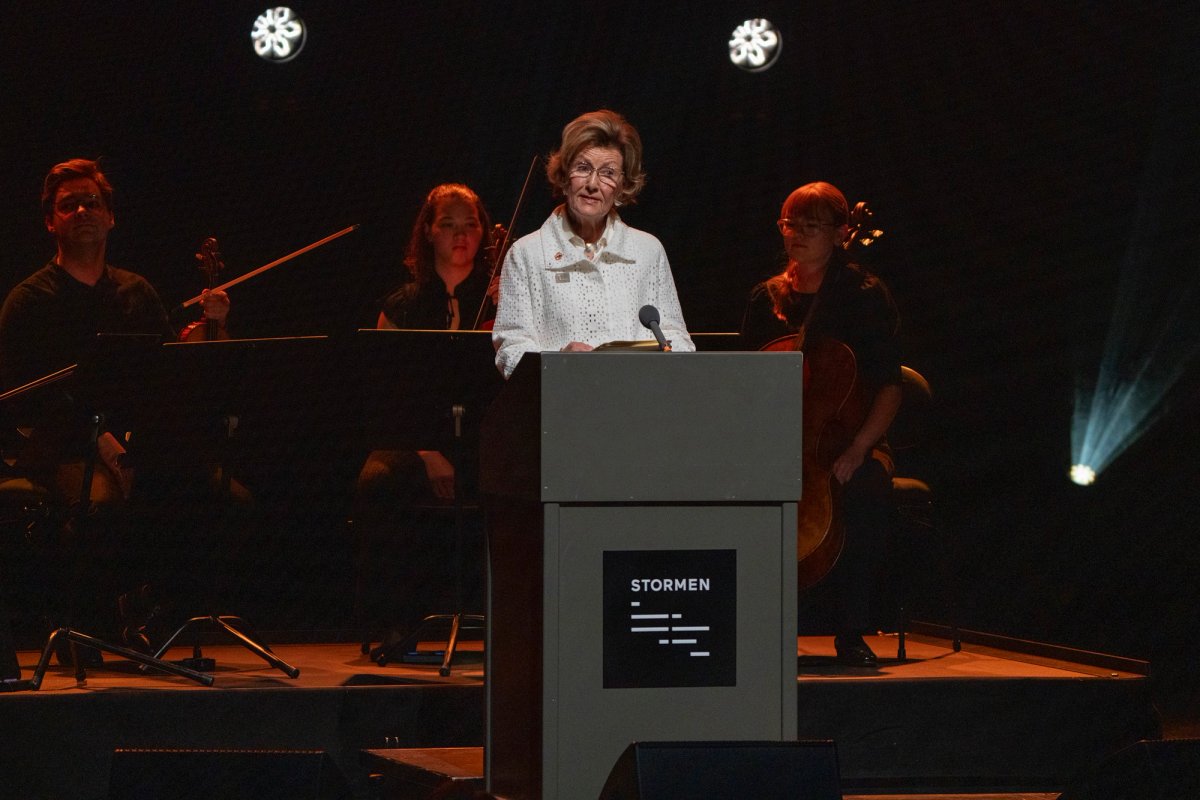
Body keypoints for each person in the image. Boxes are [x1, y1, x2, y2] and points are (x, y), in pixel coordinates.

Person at [0, 158, 233, 653]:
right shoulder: (29, 301)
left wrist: (212, 333)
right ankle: (92, 623)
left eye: (93, 202)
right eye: (69, 205)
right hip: (62, 449)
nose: (83, 210)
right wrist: (102, 443)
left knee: (223, 495)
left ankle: (157, 613)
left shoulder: (135, 292)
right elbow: (32, 402)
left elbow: (170, 376)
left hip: (135, 443)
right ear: (50, 221)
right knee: (102, 504)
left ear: (110, 217)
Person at [739, 181, 903, 667]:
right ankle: (755, 627)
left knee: (867, 488)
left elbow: (890, 387)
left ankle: (851, 630)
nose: (798, 234)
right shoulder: (765, 298)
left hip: (848, 439)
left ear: (841, 233)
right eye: (791, 224)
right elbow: (744, 384)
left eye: (812, 226)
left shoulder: (864, 295)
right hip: (775, 443)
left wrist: (859, 449)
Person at [352, 183, 495, 649]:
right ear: (428, 234)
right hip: (416, 441)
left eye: (470, 225)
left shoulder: (502, 299)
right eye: (448, 225)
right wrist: (430, 453)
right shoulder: (401, 306)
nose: (460, 235)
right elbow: (385, 395)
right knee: (378, 481)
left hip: (482, 440)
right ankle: (396, 624)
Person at [492, 109, 693, 378]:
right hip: (561, 407)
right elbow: (510, 349)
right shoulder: (526, 254)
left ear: (623, 185)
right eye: (583, 168)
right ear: (564, 176)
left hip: (634, 404)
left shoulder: (648, 251)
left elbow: (677, 339)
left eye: (608, 173)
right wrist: (557, 363)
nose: (592, 184)